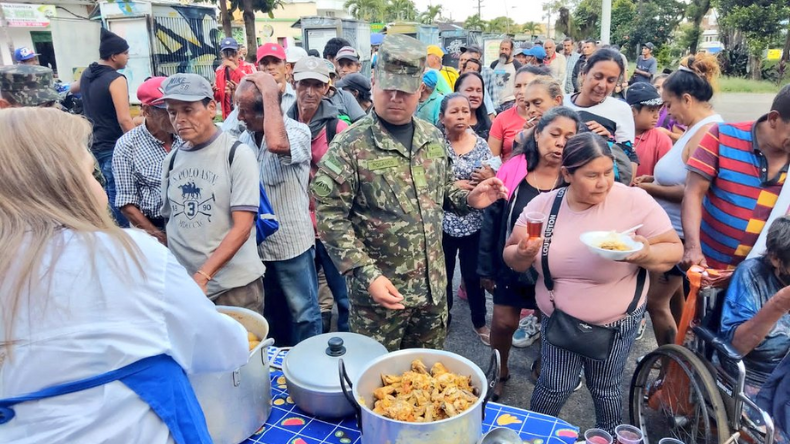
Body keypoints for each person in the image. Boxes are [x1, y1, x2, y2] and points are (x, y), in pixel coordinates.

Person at [0, 107, 249, 443]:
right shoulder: (130, 256)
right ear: (61, 184)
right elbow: (220, 347)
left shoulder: (233, 152)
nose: (102, 191)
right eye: (90, 174)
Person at [311, 34, 508, 352]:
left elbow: (441, 192)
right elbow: (330, 218)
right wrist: (366, 274)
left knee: (426, 381)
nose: (395, 98)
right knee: (376, 386)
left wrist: (469, 199)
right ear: (373, 82)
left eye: (405, 91)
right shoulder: (350, 145)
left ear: (421, 90)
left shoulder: (432, 137)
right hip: (379, 301)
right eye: (387, 88)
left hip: (431, 296)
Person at [504, 132, 682, 433]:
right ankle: (535, 435)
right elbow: (511, 256)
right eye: (591, 175)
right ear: (567, 174)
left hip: (616, 322)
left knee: (606, 388)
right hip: (558, 318)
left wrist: (645, 252)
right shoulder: (543, 206)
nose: (603, 182)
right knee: (553, 386)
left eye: (608, 172)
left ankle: (611, 437)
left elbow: (673, 250)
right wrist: (522, 253)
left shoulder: (633, 200)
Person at [479, 107, 583, 400]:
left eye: (570, 137)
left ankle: (543, 364)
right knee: (503, 322)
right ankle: (499, 371)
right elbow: (492, 219)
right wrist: (485, 267)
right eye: (555, 134)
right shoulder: (513, 169)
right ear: (537, 134)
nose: (561, 142)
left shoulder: (575, 177)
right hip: (513, 262)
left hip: (557, 269)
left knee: (552, 323)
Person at [634, 55, 723, 345]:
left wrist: (650, 189)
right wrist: (655, 182)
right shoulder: (696, 130)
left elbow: (693, 191)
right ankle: (682, 354)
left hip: (681, 234)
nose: (667, 114)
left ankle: (671, 368)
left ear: (686, 99)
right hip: (674, 229)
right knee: (675, 299)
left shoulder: (708, 131)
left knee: (655, 302)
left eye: (669, 105)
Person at [160, 73, 265, 312]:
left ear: (211, 108)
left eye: (188, 110)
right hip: (189, 288)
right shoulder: (172, 159)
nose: (180, 120)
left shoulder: (236, 154)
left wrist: (204, 275)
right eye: (173, 112)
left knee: (240, 347)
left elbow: (242, 226)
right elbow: (171, 222)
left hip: (233, 287)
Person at [234, 72, 322, 346]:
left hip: (291, 245)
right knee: (270, 316)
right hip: (257, 247)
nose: (239, 117)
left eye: (245, 111)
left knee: (304, 315)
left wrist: (271, 94)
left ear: (265, 111)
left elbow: (277, 144)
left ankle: (308, 366)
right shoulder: (244, 137)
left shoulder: (297, 132)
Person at [684, 83, 790, 273]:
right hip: (707, 269)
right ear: (774, 119)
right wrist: (692, 247)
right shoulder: (722, 136)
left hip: (762, 279)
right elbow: (693, 193)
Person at [285, 57, 351, 334]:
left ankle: (353, 351)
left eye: (317, 85)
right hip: (297, 228)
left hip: (331, 228)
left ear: (327, 88)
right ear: (294, 84)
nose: (309, 92)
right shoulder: (282, 125)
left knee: (346, 298)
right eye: (304, 84)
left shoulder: (338, 129)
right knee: (305, 302)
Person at [440, 93, 495, 345]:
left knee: (473, 275)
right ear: (442, 118)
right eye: (454, 111)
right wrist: (451, 185)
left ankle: (479, 321)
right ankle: (444, 319)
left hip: (474, 222)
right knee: (443, 274)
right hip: (443, 222)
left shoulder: (481, 144)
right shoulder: (434, 145)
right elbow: (427, 180)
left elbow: (492, 174)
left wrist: (485, 178)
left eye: (465, 111)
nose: (460, 115)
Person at [720, 216, 790, 388]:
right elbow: (736, 348)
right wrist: (778, 305)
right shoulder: (751, 275)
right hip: (755, 377)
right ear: (775, 258)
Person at [112, 77, 179, 245]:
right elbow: (127, 203)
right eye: (166, 111)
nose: (174, 116)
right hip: (158, 226)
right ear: (146, 110)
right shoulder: (127, 146)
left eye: (176, 109)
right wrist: (158, 237)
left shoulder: (187, 136)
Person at [80, 27, 134, 228]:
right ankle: (121, 237)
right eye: (125, 53)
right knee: (118, 196)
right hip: (113, 145)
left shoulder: (88, 73)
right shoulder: (116, 79)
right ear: (113, 56)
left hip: (91, 145)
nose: (128, 57)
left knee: (99, 193)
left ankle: (106, 232)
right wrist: (137, 143)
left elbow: (72, 89)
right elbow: (124, 120)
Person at [564, 48, 637, 183]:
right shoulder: (561, 103)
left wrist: (607, 142)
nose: (602, 85)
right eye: (598, 77)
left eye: (611, 80)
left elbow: (629, 158)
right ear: (584, 74)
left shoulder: (621, 109)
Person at [222, 43, 296, 138]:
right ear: (258, 68)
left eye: (276, 62)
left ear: (287, 68)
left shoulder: (296, 98)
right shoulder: (249, 98)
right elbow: (228, 132)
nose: (270, 67)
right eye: (265, 63)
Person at [489, 65, 550, 160]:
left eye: (527, 85)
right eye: (517, 86)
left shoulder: (551, 119)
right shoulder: (502, 119)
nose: (521, 91)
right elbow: (492, 160)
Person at [627, 82, 672, 178]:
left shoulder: (661, 140)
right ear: (633, 111)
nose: (657, 116)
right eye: (651, 110)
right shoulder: (616, 134)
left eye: (658, 111)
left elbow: (665, 177)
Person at [460, 44, 501, 117]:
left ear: (478, 56)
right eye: (462, 59)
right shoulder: (455, 76)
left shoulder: (488, 73)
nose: (464, 61)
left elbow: (493, 102)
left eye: (470, 53)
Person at [214, 37, 246, 119]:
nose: (230, 57)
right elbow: (218, 98)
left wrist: (235, 68)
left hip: (246, 115)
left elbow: (252, 85)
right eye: (227, 54)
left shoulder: (248, 67)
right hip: (228, 117)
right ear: (222, 55)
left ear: (239, 53)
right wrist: (214, 92)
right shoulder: (219, 71)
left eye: (233, 53)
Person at [454, 71, 492, 140]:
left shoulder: (489, 128)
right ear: (457, 91)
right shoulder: (447, 124)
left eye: (478, 91)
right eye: (469, 90)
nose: (475, 95)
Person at [491, 38, 524, 112]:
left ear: (511, 51)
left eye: (506, 49)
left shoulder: (517, 66)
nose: (503, 51)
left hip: (510, 103)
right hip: (495, 104)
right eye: (502, 49)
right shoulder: (494, 65)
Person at [653, 73, 685, 143]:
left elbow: (683, 138)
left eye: (664, 88)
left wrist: (668, 134)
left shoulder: (674, 111)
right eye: (657, 87)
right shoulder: (649, 108)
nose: (661, 91)